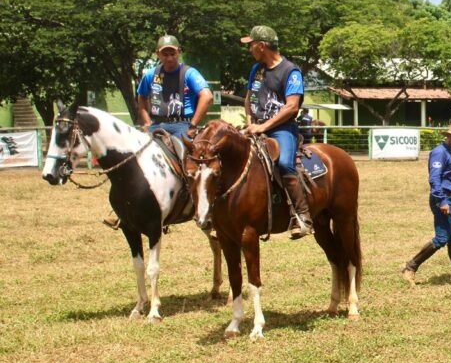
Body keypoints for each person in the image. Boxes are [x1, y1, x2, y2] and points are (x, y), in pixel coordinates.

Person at [103, 34, 213, 229]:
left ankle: (199, 206)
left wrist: (194, 125)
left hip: (182, 125)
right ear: (158, 54)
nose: (169, 57)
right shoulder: (150, 75)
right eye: (165, 53)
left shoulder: (189, 74)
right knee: (130, 159)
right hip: (156, 126)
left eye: (172, 53)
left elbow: (206, 96)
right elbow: (142, 99)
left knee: (189, 162)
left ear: (179, 52)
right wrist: (146, 122)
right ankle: (122, 210)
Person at [240, 25, 314, 240]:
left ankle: (302, 216)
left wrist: (263, 127)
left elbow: (292, 106)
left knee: (284, 164)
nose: (249, 49)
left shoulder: (291, 71)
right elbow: (249, 98)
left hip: (282, 129)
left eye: (251, 45)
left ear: (262, 46)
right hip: (256, 126)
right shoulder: (256, 69)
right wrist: (250, 122)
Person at [401, 122, 451, 286]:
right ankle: (410, 267)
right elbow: (434, 179)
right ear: (448, 137)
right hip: (442, 199)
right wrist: (442, 201)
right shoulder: (439, 153)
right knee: (442, 238)